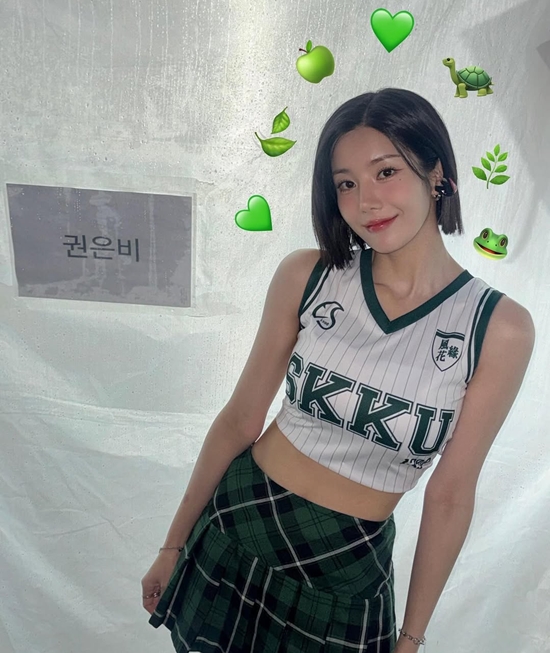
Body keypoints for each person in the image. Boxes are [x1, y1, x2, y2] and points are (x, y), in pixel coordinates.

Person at [142, 88, 535, 652]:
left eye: (385, 172)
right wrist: (172, 544)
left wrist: (410, 639)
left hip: (347, 572)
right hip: (237, 529)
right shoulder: (309, 275)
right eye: (346, 184)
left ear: (436, 174)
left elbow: (451, 495)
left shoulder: (497, 327)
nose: (366, 201)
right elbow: (239, 420)